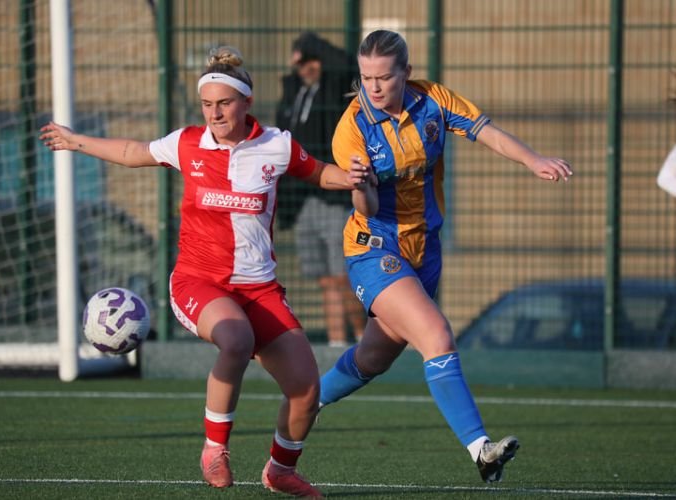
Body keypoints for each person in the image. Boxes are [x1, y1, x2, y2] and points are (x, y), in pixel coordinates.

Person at [40, 46, 373, 498]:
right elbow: (132, 150)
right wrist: (76, 141)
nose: (215, 113)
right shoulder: (187, 143)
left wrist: (351, 177)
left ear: (246, 103)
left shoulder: (276, 145)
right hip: (199, 282)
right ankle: (214, 449)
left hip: (259, 288)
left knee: (306, 390)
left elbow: (317, 172)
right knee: (236, 338)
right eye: (207, 104)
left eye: (225, 103)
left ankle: (280, 470)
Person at [318, 30, 573, 484]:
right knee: (436, 334)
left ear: (406, 73)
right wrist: (360, 184)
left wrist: (533, 160)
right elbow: (368, 209)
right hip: (373, 248)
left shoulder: (432, 100)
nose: (373, 88)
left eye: (383, 77)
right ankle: (482, 450)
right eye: (365, 78)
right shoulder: (352, 129)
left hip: (424, 249)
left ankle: (308, 396)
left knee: (375, 358)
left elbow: (486, 132)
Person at [275, 32, 365, 346]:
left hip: (332, 196)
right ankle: (336, 343)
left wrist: (310, 44)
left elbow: (344, 65)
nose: (306, 68)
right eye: (301, 62)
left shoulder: (334, 87)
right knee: (325, 279)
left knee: (342, 276)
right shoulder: (295, 93)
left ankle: (363, 337)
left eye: (312, 60)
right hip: (303, 198)